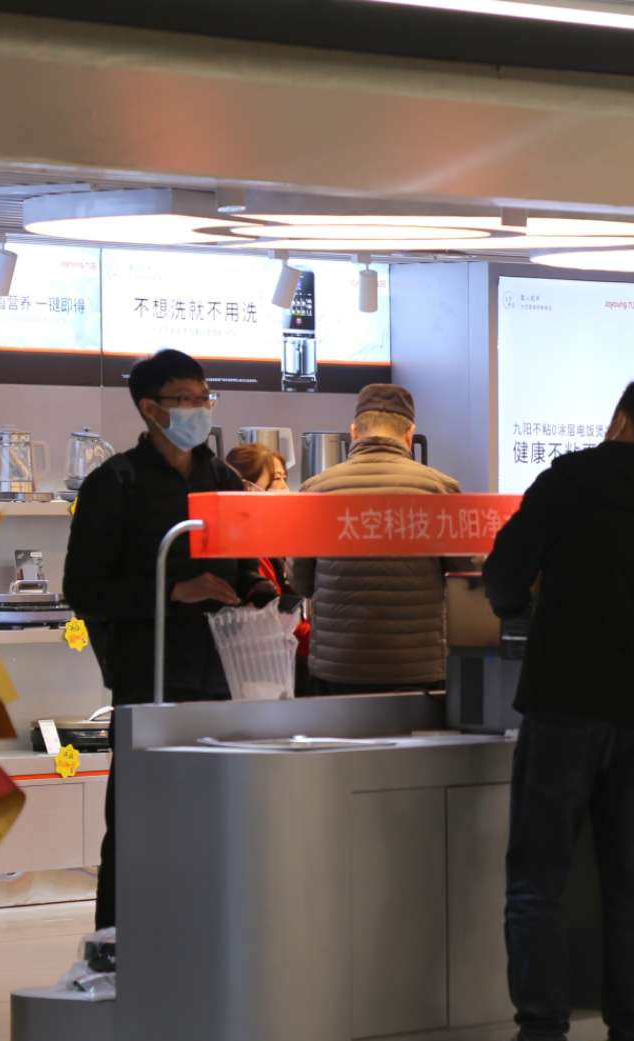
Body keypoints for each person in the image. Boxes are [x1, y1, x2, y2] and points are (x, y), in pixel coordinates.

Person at [475, 377, 634, 1041]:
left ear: (620, 421)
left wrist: (528, 610)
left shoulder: (569, 481)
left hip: (563, 703)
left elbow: (502, 578)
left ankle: (541, 1036)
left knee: (537, 879)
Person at [63, 348, 274, 930]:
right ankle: (120, 948)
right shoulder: (116, 483)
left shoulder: (223, 480)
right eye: (185, 399)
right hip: (149, 681)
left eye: (205, 399)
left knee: (216, 823)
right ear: (150, 408)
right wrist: (173, 591)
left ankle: (208, 943)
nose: (198, 410)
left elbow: (246, 565)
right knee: (138, 824)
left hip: (223, 680)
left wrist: (257, 589)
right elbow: (84, 588)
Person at [290, 384, 464, 696]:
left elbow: (300, 582)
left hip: (338, 669)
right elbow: (465, 574)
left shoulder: (316, 489)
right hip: (417, 669)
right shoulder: (440, 489)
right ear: (409, 434)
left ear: (354, 432)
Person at [226, 442, 312, 689]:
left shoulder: (272, 542)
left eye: (284, 478)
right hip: (261, 670)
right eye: (276, 479)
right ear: (247, 487)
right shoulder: (249, 551)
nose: (284, 488)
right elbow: (271, 621)